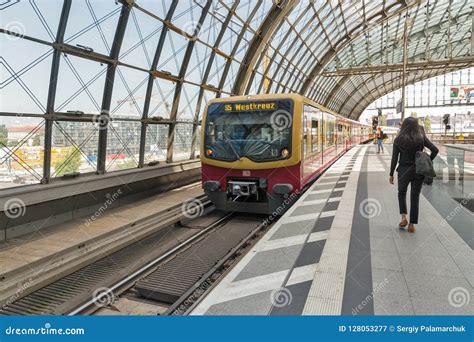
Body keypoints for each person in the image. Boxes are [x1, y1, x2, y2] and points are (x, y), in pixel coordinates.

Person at [389, 117, 438, 233]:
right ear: (416, 126)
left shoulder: (398, 139)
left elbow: (394, 158)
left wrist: (391, 174)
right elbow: (435, 150)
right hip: (418, 171)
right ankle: (411, 225)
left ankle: (403, 218)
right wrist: (427, 160)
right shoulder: (421, 138)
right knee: (415, 197)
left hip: (403, 170)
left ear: (403, 126)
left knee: (401, 193)